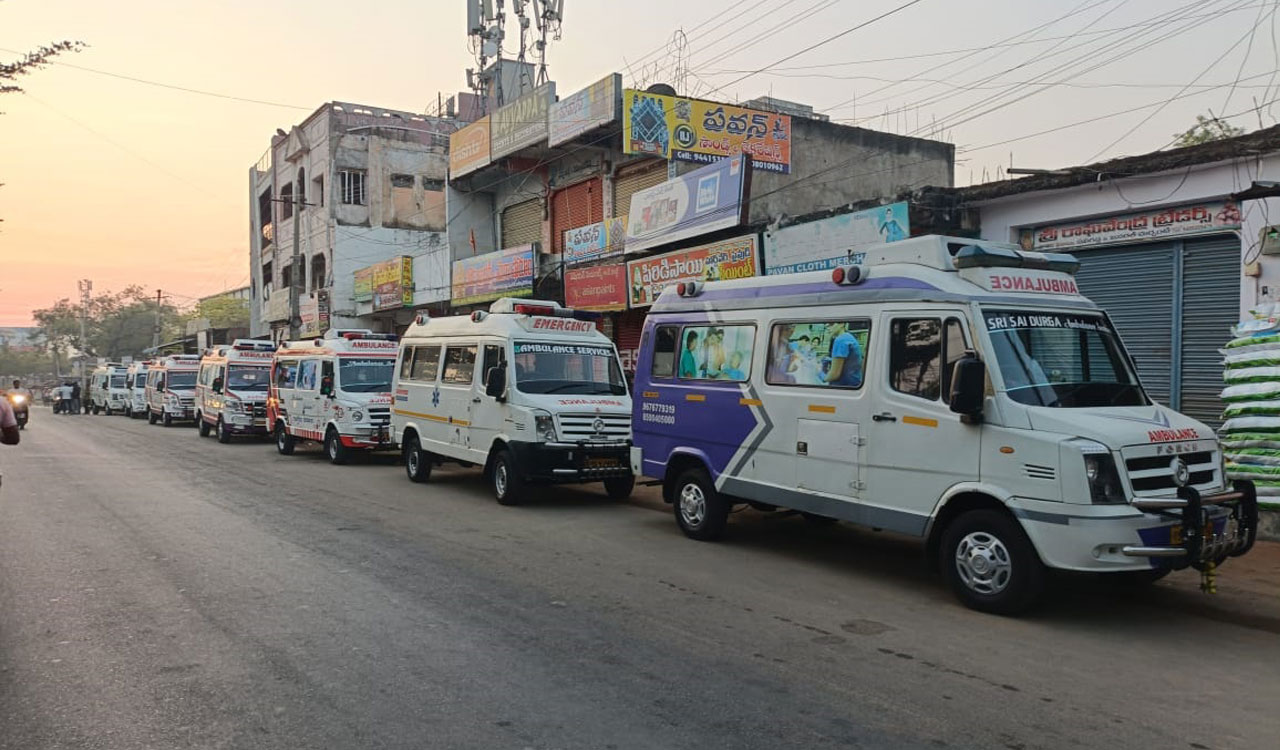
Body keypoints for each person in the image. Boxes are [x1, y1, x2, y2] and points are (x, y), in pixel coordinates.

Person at [824, 322, 865, 388]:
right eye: (826, 325)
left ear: (842, 324)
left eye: (831, 324)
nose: (828, 327)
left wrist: (821, 379)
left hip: (844, 386)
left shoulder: (840, 340)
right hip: (854, 383)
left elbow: (834, 374)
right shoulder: (849, 337)